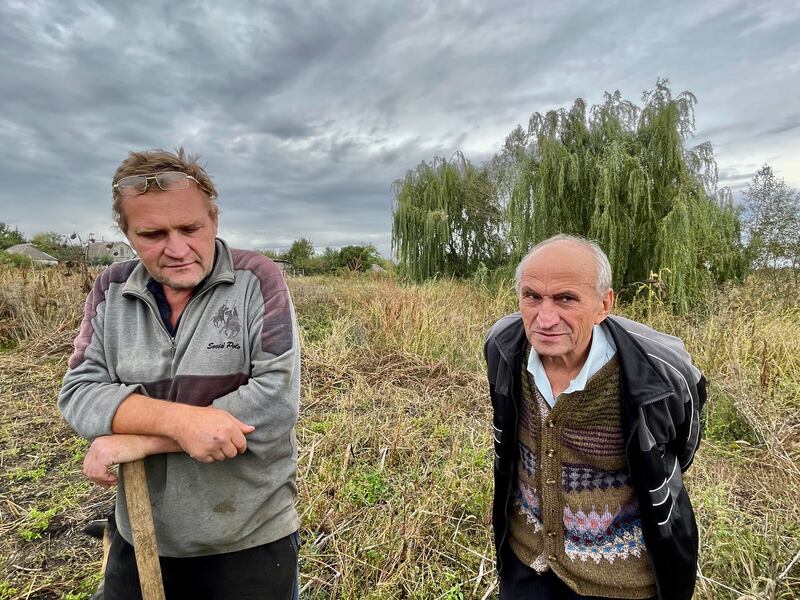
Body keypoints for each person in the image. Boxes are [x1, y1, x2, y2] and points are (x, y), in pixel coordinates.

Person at [59, 148, 301, 599]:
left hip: (249, 536)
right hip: (140, 531)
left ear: (213, 219)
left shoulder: (256, 280)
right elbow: (79, 392)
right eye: (152, 234)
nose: (176, 249)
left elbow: (275, 404)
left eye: (190, 228)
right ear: (127, 234)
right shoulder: (111, 288)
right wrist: (183, 423)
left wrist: (143, 440)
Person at [484, 235, 706, 600]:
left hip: (621, 582)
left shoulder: (658, 371)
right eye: (532, 296)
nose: (545, 318)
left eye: (566, 299)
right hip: (526, 565)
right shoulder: (503, 346)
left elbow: (679, 448)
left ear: (604, 304)